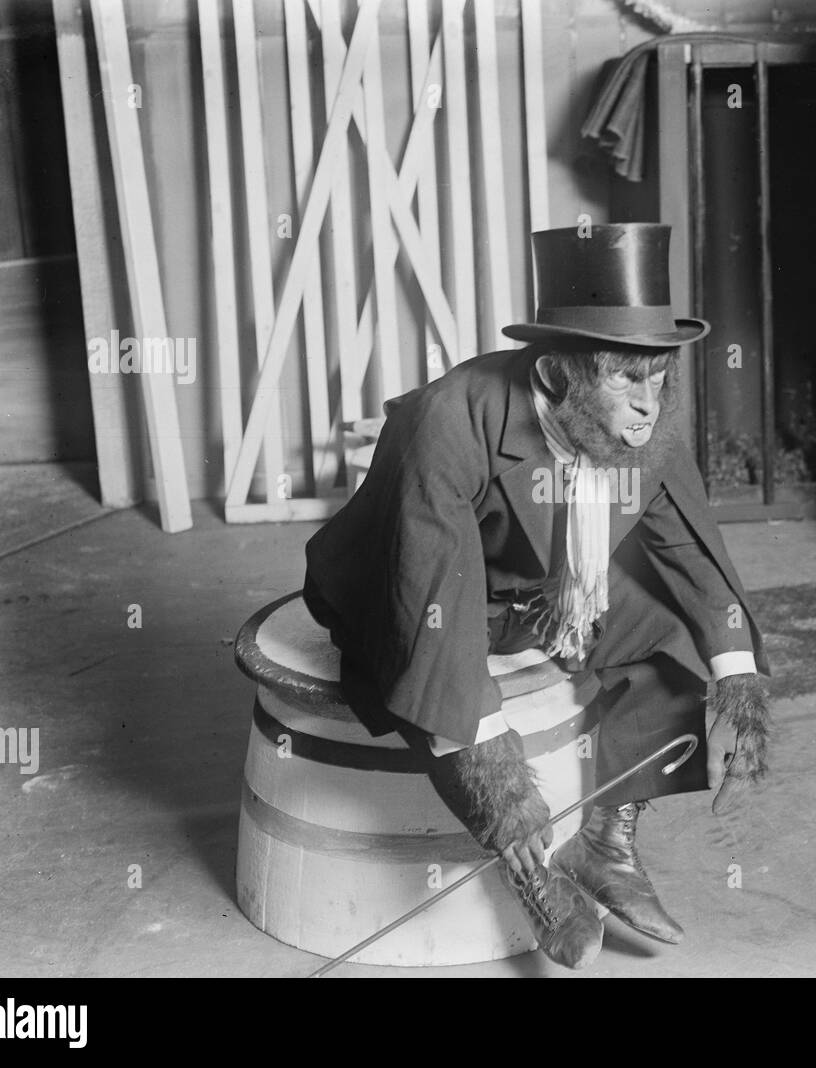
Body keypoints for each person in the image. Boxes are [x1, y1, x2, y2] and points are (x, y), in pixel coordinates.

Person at [302, 223, 770, 969]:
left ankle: (603, 845)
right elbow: (432, 609)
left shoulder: (648, 417)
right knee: (436, 681)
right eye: (627, 379)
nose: (650, 406)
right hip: (409, 588)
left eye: (659, 377)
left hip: (537, 593)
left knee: (679, 632)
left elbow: (690, 550)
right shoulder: (449, 421)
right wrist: (507, 793)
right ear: (555, 379)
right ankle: (534, 873)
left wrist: (738, 683)